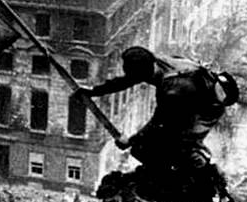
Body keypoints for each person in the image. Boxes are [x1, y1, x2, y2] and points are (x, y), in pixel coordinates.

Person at [77, 46, 238, 171]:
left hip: (206, 109)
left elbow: (158, 122)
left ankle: (181, 175)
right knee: (156, 144)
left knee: (145, 149)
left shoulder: (172, 90)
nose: (132, 80)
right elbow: (126, 81)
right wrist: (94, 91)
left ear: (142, 75)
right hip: (192, 96)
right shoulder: (155, 62)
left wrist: (130, 141)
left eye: (135, 77)